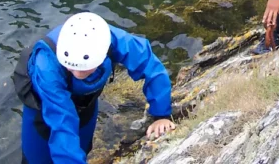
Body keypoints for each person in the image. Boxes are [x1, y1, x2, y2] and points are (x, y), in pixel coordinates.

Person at [13, 12, 175, 164]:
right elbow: (62, 124)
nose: (77, 73)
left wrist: (161, 115)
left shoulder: (113, 39)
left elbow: (150, 66)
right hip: (43, 108)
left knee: (82, 149)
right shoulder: (47, 67)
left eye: (85, 68)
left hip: (86, 102)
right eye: (71, 67)